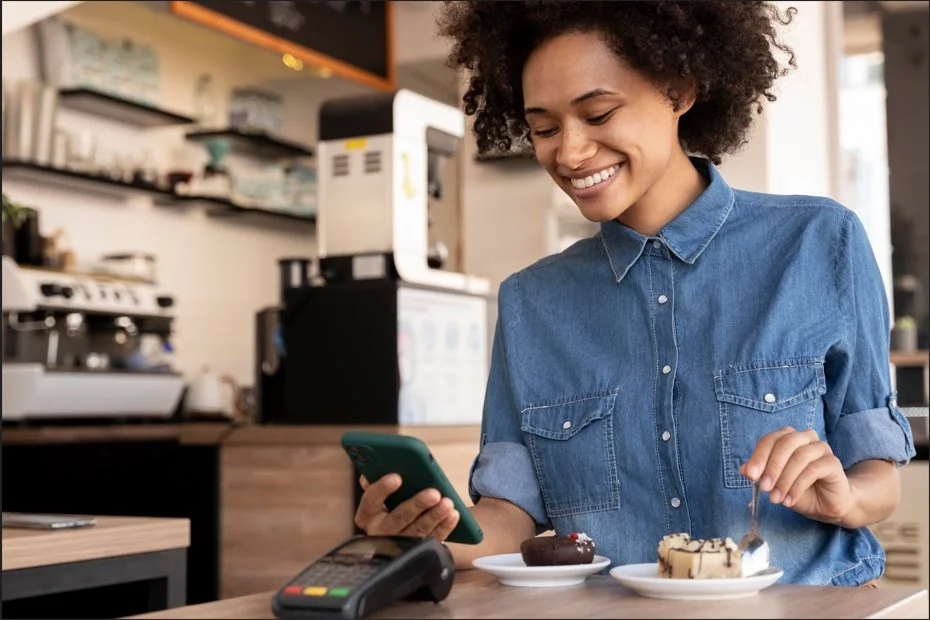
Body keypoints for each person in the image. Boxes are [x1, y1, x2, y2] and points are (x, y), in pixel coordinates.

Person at [353, 1, 917, 586]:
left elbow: (878, 474)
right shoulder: (530, 303)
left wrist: (845, 497)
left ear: (679, 89)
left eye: (598, 114)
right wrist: (425, 531)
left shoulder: (819, 243)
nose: (569, 153)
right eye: (544, 128)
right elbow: (508, 516)